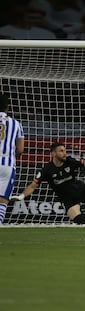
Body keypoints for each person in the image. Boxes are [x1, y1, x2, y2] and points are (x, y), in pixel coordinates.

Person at [11, 142, 85, 227]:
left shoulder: (70, 161)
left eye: (64, 150)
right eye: (61, 151)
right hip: (68, 199)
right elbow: (33, 186)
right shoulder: (46, 170)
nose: (64, 153)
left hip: (81, 190)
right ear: (53, 154)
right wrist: (21, 196)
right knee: (79, 220)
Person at [0, 94, 25, 224]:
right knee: (2, 201)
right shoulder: (16, 124)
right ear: (7, 107)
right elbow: (20, 149)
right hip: (6, 165)